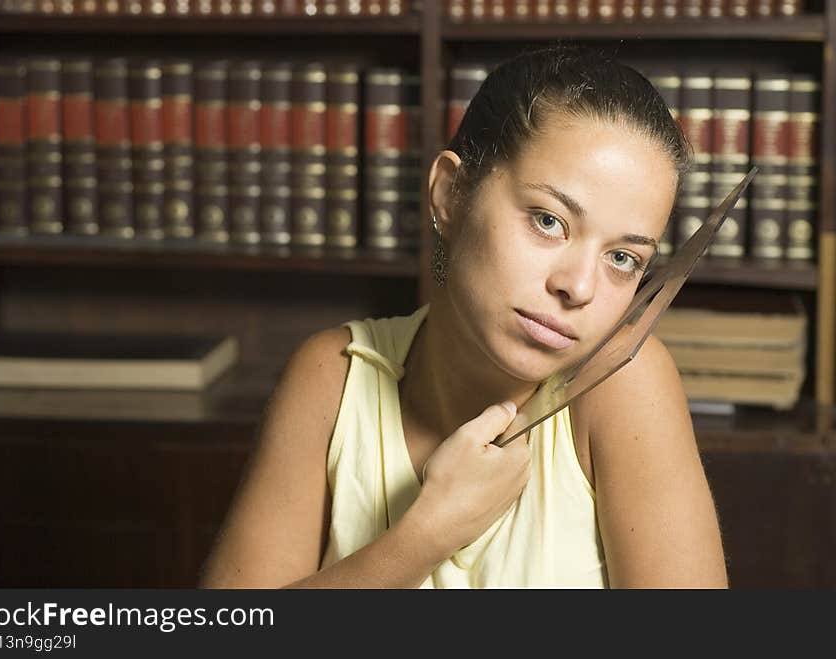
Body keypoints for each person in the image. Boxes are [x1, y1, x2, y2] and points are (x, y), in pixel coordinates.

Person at [199, 45, 728, 589]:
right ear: (451, 194)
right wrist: (425, 536)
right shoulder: (334, 376)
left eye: (623, 258)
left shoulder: (621, 384)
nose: (578, 286)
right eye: (549, 221)